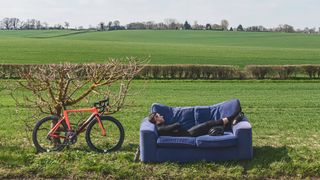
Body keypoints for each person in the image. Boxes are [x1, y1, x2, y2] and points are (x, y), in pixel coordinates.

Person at [148, 111, 244, 137]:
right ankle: (235, 115)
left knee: (209, 126)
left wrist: (175, 128)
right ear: (156, 120)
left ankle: (232, 120)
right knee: (208, 124)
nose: (161, 116)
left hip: (188, 133)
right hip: (189, 135)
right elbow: (177, 125)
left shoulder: (161, 127)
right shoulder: (160, 128)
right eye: (158, 115)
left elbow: (175, 128)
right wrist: (175, 127)